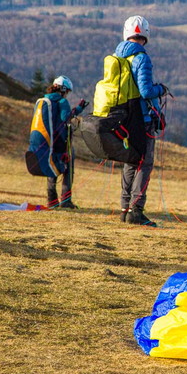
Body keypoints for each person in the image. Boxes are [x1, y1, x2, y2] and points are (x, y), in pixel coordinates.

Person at [92, 15, 168, 227]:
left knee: (130, 160)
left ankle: (125, 208)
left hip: (122, 117)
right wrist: (161, 89)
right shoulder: (142, 58)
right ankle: (137, 211)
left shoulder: (117, 55)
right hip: (141, 118)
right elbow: (146, 91)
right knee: (145, 162)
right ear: (145, 35)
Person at [44, 75, 86, 209]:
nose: (67, 94)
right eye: (67, 91)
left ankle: (51, 200)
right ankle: (66, 201)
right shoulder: (62, 102)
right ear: (63, 89)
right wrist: (78, 110)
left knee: (52, 169)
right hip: (61, 142)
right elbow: (66, 119)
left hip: (48, 141)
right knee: (68, 170)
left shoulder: (45, 100)